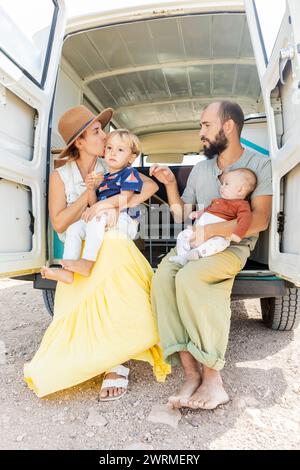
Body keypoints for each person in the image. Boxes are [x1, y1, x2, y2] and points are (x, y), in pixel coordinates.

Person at [24, 105, 170, 400]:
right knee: (104, 244)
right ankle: (89, 357)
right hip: (81, 239)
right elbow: (60, 221)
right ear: (79, 142)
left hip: (108, 240)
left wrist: (119, 204)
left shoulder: (111, 165)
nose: (104, 136)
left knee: (115, 245)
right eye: (96, 131)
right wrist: (88, 198)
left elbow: (150, 185)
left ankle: (116, 360)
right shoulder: (61, 176)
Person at [150, 100, 272, 410]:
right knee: (163, 277)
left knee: (191, 278)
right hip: (196, 243)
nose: (201, 131)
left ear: (227, 126)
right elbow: (182, 214)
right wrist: (168, 185)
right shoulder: (201, 169)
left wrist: (213, 232)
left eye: (206, 125)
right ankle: (191, 374)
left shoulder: (259, 165)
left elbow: (260, 220)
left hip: (232, 246)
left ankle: (213, 378)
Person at [41, 129, 143, 284]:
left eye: (120, 150)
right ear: (80, 143)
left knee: (96, 220)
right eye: (109, 148)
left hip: (122, 219)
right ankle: (67, 271)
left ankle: (87, 263)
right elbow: (93, 204)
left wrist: (104, 207)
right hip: (100, 218)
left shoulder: (128, 173)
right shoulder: (106, 175)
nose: (113, 153)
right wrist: (90, 189)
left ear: (131, 158)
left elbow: (125, 197)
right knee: (74, 228)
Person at [169, 168, 257, 266]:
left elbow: (245, 219)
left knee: (220, 243)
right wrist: (198, 213)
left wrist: (238, 234)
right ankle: (183, 256)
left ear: (240, 190)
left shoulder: (241, 205)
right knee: (183, 235)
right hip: (198, 231)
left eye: (226, 184)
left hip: (217, 235)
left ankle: (198, 253)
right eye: (222, 184)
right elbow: (208, 209)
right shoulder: (218, 200)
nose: (221, 187)